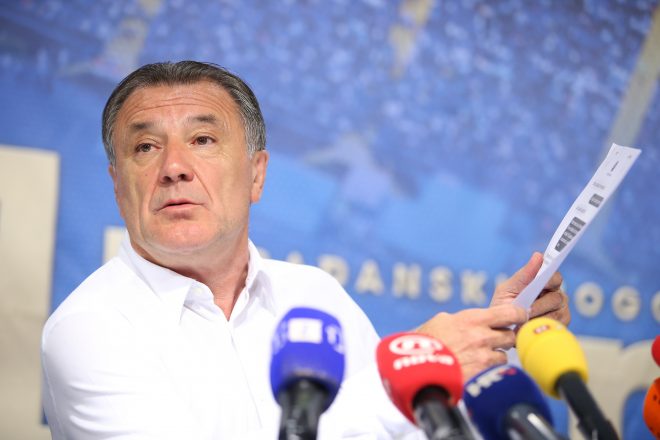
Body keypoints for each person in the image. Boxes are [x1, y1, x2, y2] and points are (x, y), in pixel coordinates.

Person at [41, 61, 569, 439]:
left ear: (256, 174)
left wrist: (476, 355)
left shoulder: (314, 294)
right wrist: (410, 369)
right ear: (118, 185)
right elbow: (375, 414)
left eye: (202, 140)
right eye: (145, 147)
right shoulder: (88, 329)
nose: (174, 167)